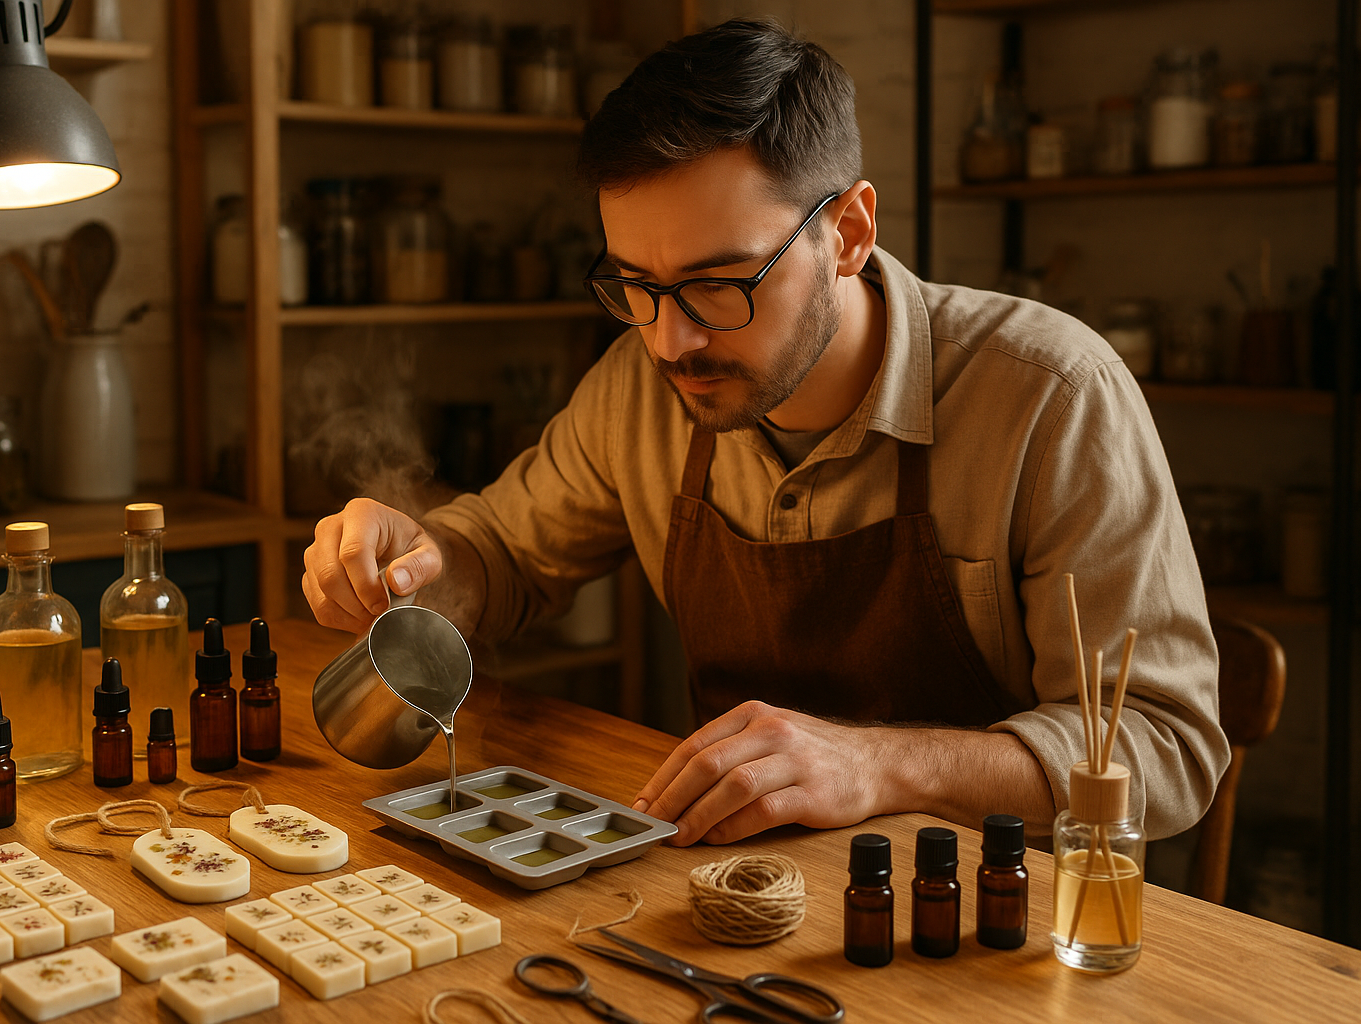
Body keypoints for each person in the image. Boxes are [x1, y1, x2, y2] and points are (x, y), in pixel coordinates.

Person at [303, 19, 1228, 846]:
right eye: (636, 284)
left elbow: (1165, 745)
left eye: (720, 283)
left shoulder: (1051, 397)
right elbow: (501, 554)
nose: (672, 339)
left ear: (850, 233)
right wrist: (422, 565)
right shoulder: (641, 382)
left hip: (1000, 915)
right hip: (725, 891)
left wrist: (879, 766)